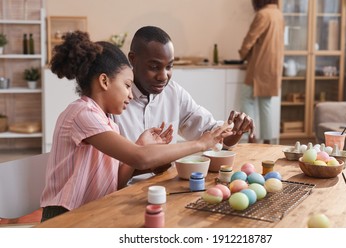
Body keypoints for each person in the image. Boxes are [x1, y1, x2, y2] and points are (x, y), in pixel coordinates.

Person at [40, 31, 232, 222]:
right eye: (126, 85)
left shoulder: (104, 120)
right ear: (104, 81)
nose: (131, 95)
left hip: (94, 211)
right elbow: (140, 158)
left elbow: (117, 180)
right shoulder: (82, 114)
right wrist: (201, 144)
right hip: (64, 218)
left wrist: (141, 145)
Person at [113, 26, 255, 177]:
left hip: (165, 187)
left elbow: (212, 135)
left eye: (169, 66)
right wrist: (150, 163)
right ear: (133, 59)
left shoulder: (173, 93)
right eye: (154, 67)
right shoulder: (113, 99)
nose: (163, 76)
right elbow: (109, 173)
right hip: (121, 193)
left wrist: (235, 128)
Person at [238, 0, 284, 144]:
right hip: (274, 67)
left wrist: (242, 54)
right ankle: (267, 140)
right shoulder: (278, 13)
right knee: (265, 105)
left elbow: (250, 38)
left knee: (246, 100)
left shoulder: (263, 14)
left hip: (259, 66)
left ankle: (250, 136)